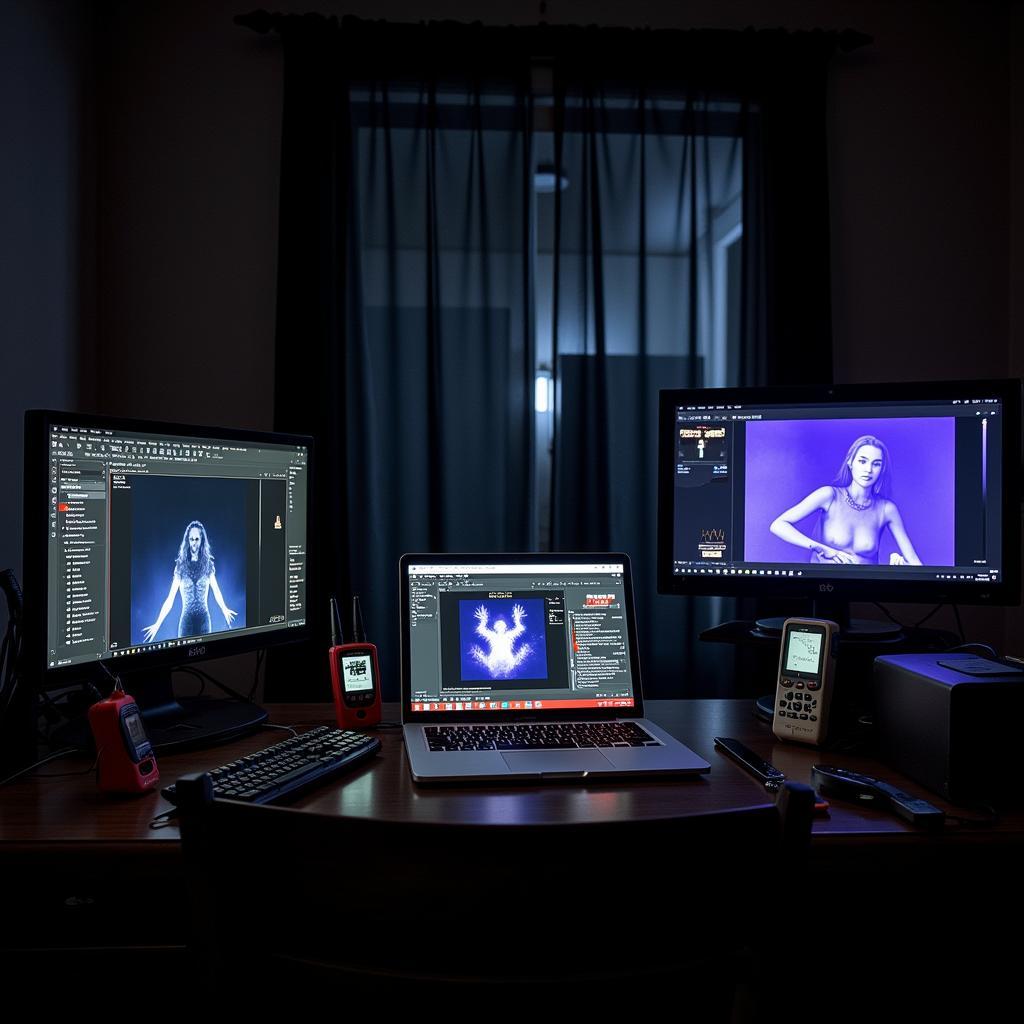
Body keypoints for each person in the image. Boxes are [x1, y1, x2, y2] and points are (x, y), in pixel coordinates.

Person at [769, 435, 922, 565]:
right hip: (823, 585)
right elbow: (778, 525)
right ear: (850, 462)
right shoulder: (829, 495)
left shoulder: (886, 509)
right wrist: (818, 547)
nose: (868, 469)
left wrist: (901, 566)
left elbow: (916, 565)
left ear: (882, 469)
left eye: (876, 464)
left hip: (864, 590)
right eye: (862, 461)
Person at [142, 520, 237, 642]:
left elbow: (216, 591)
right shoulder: (180, 566)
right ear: (187, 540)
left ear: (202, 540)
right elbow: (170, 599)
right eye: (191, 539)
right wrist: (157, 624)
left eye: (197, 539)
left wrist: (224, 609)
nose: (194, 543)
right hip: (186, 622)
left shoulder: (208, 565)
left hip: (204, 621)